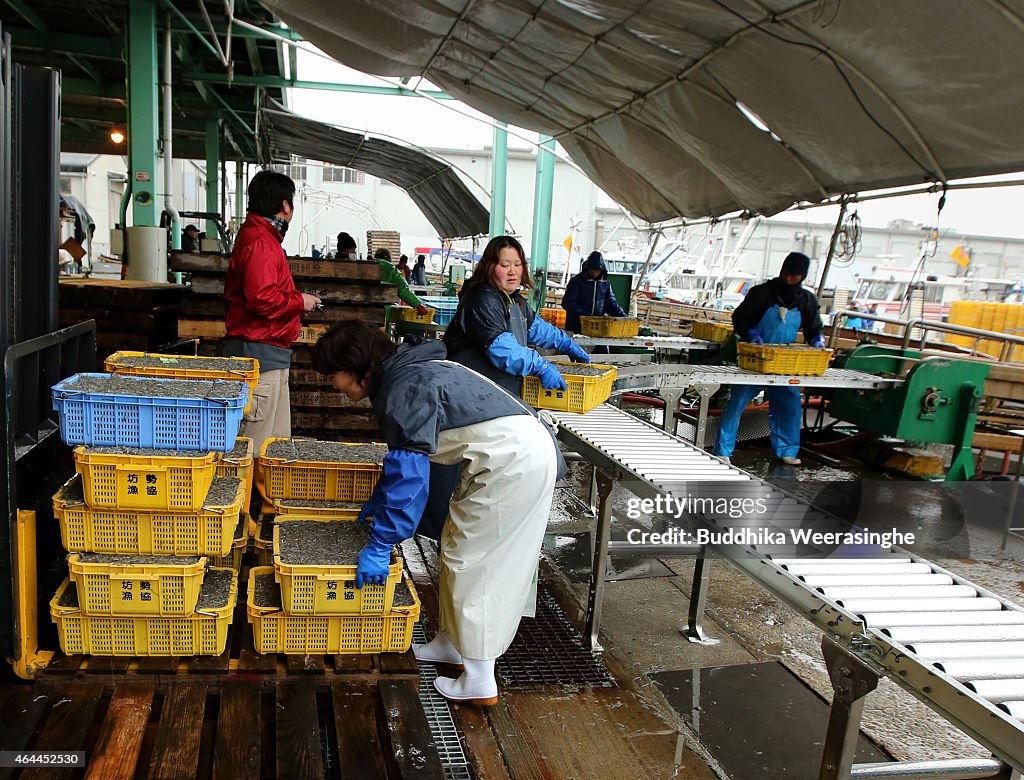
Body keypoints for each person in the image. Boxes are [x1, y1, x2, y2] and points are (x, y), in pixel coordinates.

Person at [313, 319, 560, 705]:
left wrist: (381, 543)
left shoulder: (402, 388)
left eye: (335, 375)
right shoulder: (410, 370)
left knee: (478, 563)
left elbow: (411, 477)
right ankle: (452, 642)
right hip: (503, 458)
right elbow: (407, 459)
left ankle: (479, 676)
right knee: (455, 546)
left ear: (355, 366)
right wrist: (380, 500)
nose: (334, 386)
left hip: (515, 463)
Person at [224, 170, 321, 506]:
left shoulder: (259, 239)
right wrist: (300, 301)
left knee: (273, 445)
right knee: (253, 446)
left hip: (269, 355)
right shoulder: (261, 243)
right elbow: (261, 299)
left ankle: (262, 518)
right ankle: (236, 520)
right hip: (259, 357)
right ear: (284, 205)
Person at [443, 235, 591, 397]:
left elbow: (536, 328)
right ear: (489, 267)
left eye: (517, 264)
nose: (512, 271)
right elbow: (503, 350)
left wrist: (565, 343)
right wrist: (540, 365)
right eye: (505, 265)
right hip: (468, 390)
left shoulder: (512, 299)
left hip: (493, 389)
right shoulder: (481, 299)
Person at [714, 251, 824, 466]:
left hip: (784, 363)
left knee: (790, 406)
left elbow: (813, 326)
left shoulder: (806, 299)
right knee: (736, 403)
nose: (790, 279)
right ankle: (722, 451)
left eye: (796, 275)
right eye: (787, 273)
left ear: (803, 276)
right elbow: (740, 317)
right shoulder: (762, 292)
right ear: (782, 270)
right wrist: (751, 334)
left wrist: (817, 340)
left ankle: (787, 450)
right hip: (755, 358)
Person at [336, 232, 430, 316]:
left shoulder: (364, 265)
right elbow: (402, 289)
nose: (354, 253)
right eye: (352, 250)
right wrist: (418, 305)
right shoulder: (390, 268)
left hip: (358, 309)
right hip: (382, 311)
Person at [560, 250, 628, 332]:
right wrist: (583, 314)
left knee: (602, 344)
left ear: (601, 270)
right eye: (591, 269)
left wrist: (622, 315)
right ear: (587, 268)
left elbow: (610, 303)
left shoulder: (605, 283)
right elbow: (568, 302)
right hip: (576, 326)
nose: (593, 272)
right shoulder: (576, 281)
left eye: (596, 270)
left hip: (597, 327)